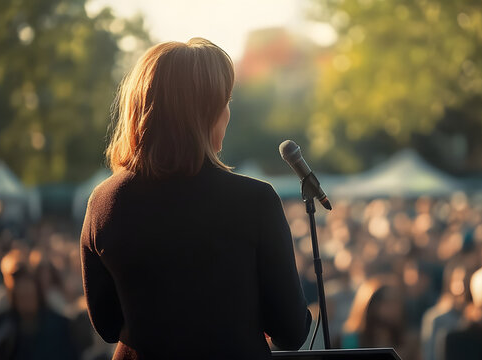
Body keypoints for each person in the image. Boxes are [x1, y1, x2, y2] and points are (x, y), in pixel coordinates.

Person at [81, 38, 311, 359]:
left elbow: (107, 325)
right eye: (224, 101)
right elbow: (290, 331)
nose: (227, 113)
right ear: (205, 114)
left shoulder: (104, 202)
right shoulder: (253, 201)